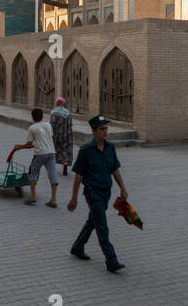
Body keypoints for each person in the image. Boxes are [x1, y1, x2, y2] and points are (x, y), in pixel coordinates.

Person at [67, 114, 128, 273]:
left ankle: (77, 246)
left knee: (92, 221)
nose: (105, 132)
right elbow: (78, 175)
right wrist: (74, 198)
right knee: (102, 226)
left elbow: (114, 169)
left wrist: (123, 188)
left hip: (106, 193)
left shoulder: (110, 148)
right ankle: (111, 260)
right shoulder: (86, 151)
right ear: (93, 131)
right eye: (102, 129)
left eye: (106, 128)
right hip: (92, 193)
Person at [9, 107, 58, 207]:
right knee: (52, 174)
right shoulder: (48, 125)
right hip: (51, 152)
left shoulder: (32, 127)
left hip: (40, 153)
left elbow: (28, 144)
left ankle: (33, 197)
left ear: (32, 117)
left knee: (32, 173)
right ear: (42, 116)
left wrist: (19, 146)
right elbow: (48, 137)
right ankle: (53, 200)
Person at [50, 97, 73, 176]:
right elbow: (70, 125)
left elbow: (52, 124)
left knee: (54, 150)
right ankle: (65, 170)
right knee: (65, 151)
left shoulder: (54, 112)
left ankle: (52, 168)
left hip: (56, 135)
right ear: (63, 103)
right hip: (66, 135)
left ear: (57, 103)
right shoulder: (67, 113)